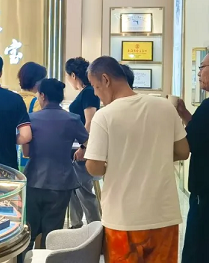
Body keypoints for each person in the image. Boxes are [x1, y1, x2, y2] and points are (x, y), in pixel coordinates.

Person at [84, 56, 189, 263]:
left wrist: (115, 161)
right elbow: (183, 151)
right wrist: (154, 155)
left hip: (122, 219)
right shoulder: (165, 107)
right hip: (164, 216)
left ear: (105, 80)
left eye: (96, 86)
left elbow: (94, 167)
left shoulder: (105, 116)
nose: (96, 93)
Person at [22, 79, 89, 253]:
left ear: (43, 96)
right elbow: (89, 141)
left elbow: (26, 152)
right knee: (52, 234)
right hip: (62, 182)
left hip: (34, 180)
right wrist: (82, 149)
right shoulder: (72, 119)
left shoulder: (30, 119)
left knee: (28, 232)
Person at [175, 53, 209, 262]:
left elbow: (187, 145)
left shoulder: (207, 107)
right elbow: (200, 133)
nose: (198, 73)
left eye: (202, 67)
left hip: (204, 192)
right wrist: (184, 114)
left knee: (197, 249)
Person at [64, 57, 101, 229]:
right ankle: (76, 226)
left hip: (83, 148)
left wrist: (84, 146)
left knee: (84, 191)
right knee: (74, 189)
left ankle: (95, 228)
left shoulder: (88, 93)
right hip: (76, 147)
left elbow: (90, 121)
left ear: (73, 75)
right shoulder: (86, 92)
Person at [17, 62, 47, 170]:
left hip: (13, 150)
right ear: (37, 82)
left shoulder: (13, 99)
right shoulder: (37, 102)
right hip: (30, 153)